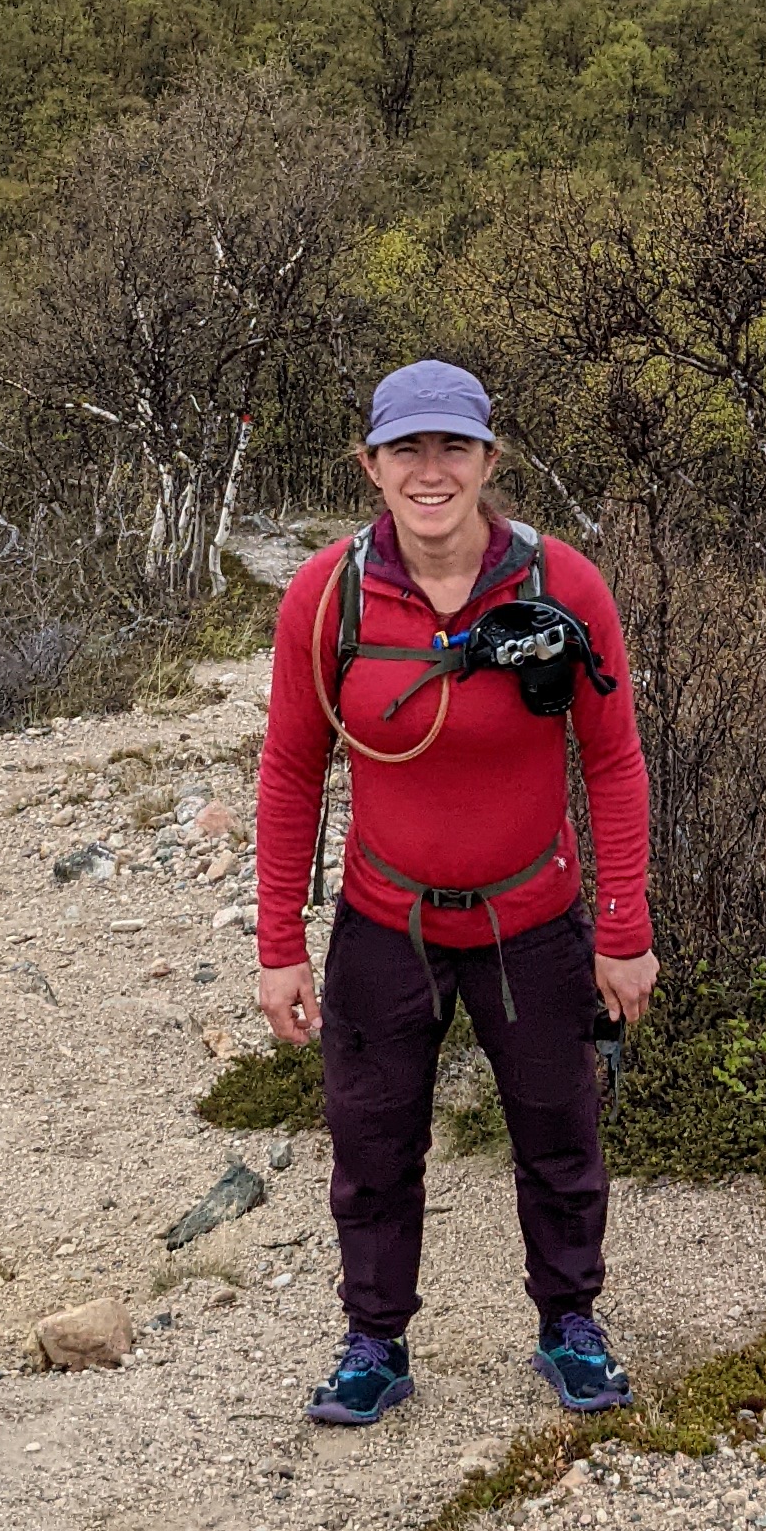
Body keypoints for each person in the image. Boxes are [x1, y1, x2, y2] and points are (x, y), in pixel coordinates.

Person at [254, 357, 657, 1427]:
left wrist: (625, 929)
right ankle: (374, 1344)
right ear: (371, 466)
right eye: (407, 450)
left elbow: (612, 762)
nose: (431, 471)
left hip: (535, 922)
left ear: (488, 458)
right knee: (373, 1143)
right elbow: (291, 767)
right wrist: (278, 947)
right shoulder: (327, 596)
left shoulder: (561, 585)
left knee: (560, 1133)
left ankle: (570, 1327)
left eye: (453, 448)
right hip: (388, 926)